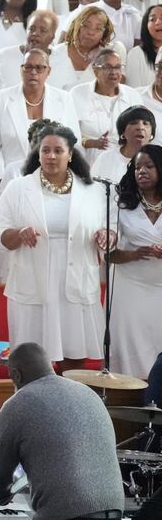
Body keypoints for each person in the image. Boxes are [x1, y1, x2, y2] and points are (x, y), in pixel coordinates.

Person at [0, 342, 125, 520]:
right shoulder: (88, 393)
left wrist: (0, 495)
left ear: (16, 374)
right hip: (113, 511)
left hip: (66, 515)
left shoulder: (18, 403)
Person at [0, 123, 112, 362]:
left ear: (70, 154)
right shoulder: (18, 188)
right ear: (38, 154)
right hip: (33, 279)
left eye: (58, 150)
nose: (51, 156)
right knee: (31, 359)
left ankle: (69, 398)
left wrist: (107, 235)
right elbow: (0, 234)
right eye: (45, 150)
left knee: (75, 355)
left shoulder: (94, 190)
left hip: (76, 280)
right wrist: (19, 234)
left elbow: (109, 229)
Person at [0, 48, 78, 182]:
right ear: (21, 70)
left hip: (53, 181)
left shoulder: (64, 99)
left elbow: (73, 144)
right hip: (9, 180)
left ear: (48, 71)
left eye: (39, 68)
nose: (33, 72)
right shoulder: (1, 99)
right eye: (28, 67)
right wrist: (1, 179)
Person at [107, 144, 162, 378]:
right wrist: (134, 254)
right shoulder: (121, 203)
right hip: (128, 291)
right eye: (138, 166)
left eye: (149, 166)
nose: (142, 171)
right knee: (130, 354)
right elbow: (108, 253)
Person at [69, 46, 142, 168]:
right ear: (95, 70)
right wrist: (90, 143)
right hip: (87, 164)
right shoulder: (77, 94)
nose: (113, 72)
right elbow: (67, 132)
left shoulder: (132, 95)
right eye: (107, 67)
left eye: (117, 67)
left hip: (124, 164)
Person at [0, 8, 58, 104]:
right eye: (31, 29)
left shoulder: (60, 59)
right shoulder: (3, 55)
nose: (35, 34)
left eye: (43, 31)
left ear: (52, 37)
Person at [50, 6, 123, 90]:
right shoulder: (57, 53)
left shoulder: (110, 54)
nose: (91, 32)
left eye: (98, 28)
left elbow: (116, 88)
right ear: (77, 25)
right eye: (86, 26)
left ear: (104, 33)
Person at [92, 105, 157, 185]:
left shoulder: (158, 161)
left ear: (152, 134)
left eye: (145, 123)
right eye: (133, 123)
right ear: (122, 132)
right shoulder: (105, 158)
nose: (140, 127)